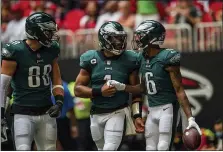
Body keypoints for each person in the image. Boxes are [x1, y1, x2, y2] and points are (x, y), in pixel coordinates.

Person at [108, 20, 201, 150]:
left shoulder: (167, 57)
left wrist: (190, 118)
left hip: (168, 108)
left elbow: (179, 90)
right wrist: (122, 87)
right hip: (152, 109)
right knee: (150, 148)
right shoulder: (141, 57)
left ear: (152, 37)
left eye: (141, 35)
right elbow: (142, 88)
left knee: (163, 146)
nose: (138, 38)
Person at [74, 21, 144, 151]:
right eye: (115, 38)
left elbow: (137, 91)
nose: (119, 41)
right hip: (96, 113)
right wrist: (100, 91)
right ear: (104, 39)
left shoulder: (130, 59)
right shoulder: (90, 58)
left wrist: (137, 115)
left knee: (109, 148)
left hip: (118, 111)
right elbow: (77, 90)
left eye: (121, 37)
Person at [0, 12, 64, 150]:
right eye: (48, 31)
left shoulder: (52, 49)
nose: (52, 34)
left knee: (49, 149)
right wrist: (1, 114)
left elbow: (56, 78)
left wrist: (59, 101)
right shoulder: (15, 50)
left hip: (46, 110)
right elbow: (2, 86)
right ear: (36, 32)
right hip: (23, 113)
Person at [52, 81, 78, 150]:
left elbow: (71, 108)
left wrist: (73, 126)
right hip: (48, 121)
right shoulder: (64, 86)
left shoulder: (64, 87)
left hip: (60, 122)